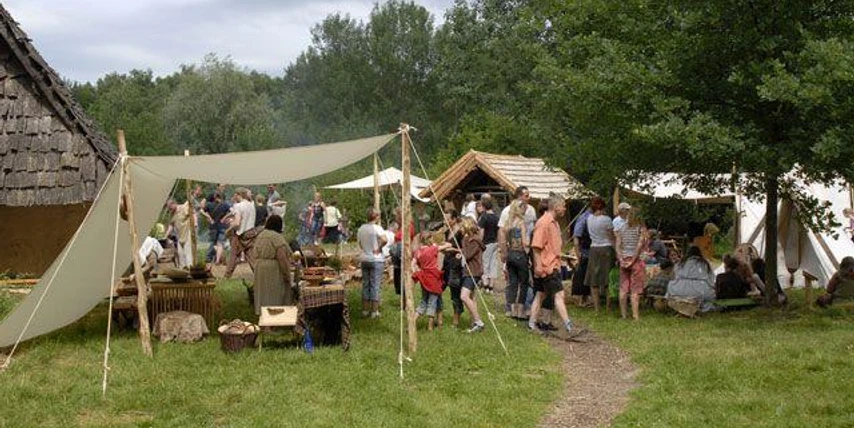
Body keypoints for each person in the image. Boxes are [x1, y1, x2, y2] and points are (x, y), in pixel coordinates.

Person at [528, 194, 574, 334]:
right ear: (556, 207)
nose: (565, 209)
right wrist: (538, 266)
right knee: (559, 295)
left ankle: (531, 324)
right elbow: (536, 247)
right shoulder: (544, 223)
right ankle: (568, 326)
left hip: (551, 264)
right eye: (563, 206)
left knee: (540, 295)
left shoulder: (554, 222)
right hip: (547, 267)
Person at [251, 215, 295, 316]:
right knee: (272, 294)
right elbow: (281, 257)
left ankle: (263, 318)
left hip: (260, 266)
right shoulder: (276, 237)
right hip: (272, 268)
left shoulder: (261, 235)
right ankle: (271, 321)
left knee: (262, 294)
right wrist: (286, 274)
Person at [412, 232, 450, 330]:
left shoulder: (418, 251)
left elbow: (413, 263)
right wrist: (439, 244)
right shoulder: (433, 249)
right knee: (432, 302)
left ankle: (412, 322)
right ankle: (430, 326)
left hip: (424, 278)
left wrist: (415, 271)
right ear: (429, 239)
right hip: (433, 278)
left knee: (425, 301)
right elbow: (448, 245)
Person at [615, 207, 648, 320]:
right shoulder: (641, 229)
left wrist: (621, 259)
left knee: (623, 288)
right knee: (635, 289)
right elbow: (639, 246)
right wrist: (633, 260)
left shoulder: (622, 228)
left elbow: (618, 245)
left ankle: (623, 315)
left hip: (624, 260)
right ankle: (635, 316)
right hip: (636, 261)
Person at [584, 197, 614, 312]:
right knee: (607, 279)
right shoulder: (607, 219)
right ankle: (608, 306)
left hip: (594, 248)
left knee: (594, 279)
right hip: (606, 247)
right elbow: (611, 236)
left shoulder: (589, 218)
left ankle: (596, 308)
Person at [666, 245, 716, 312]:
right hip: (699, 289)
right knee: (711, 294)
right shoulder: (705, 263)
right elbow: (711, 279)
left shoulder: (681, 263)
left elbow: (676, 277)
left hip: (680, 288)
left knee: (670, 287)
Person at [357, 207, 387, 318]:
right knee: (375, 285)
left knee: (365, 284)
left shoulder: (361, 228)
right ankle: (374, 311)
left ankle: (365, 310)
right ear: (376, 217)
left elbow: (360, 244)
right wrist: (379, 248)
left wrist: (366, 249)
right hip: (376, 259)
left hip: (364, 258)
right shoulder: (377, 228)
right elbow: (384, 239)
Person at [503, 200, 530, 318]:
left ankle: (512, 310)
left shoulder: (508, 223)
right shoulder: (521, 223)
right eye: (524, 207)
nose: (526, 209)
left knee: (512, 282)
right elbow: (524, 242)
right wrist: (529, 251)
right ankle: (520, 311)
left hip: (510, 255)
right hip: (520, 254)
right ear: (520, 209)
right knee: (524, 283)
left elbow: (505, 241)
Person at [223, 187, 258, 279]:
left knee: (233, 256)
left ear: (239, 195)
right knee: (251, 256)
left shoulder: (238, 206)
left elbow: (237, 223)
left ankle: (227, 276)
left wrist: (228, 230)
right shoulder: (251, 205)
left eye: (235, 194)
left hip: (240, 234)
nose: (234, 196)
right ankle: (259, 275)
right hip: (251, 232)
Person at [459, 217, 486, 333]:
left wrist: (463, 244)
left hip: (473, 272)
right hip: (470, 271)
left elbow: (468, 255)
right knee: (471, 297)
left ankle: (479, 322)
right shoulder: (470, 240)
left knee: (463, 296)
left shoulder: (474, 241)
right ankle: (474, 322)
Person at [442, 209, 465, 327]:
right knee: (438, 288)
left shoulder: (461, 232)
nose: (445, 221)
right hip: (446, 264)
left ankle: (456, 320)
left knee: (455, 293)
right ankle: (438, 317)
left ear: (454, 219)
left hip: (456, 266)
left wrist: (453, 249)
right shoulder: (447, 232)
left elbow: (465, 250)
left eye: (448, 219)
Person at [571, 204, 593, 305]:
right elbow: (576, 237)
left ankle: (587, 298)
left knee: (587, 275)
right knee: (583, 275)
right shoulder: (584, 218)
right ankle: (582, 299)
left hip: (591, 250)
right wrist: (578, 252)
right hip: (585, 250)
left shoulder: (591, 217)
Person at [478, 198, 500, 295]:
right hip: (495, 243)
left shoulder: (484, 217)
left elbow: (481, 232)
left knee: (485, 264)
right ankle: (491, 287)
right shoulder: (496, 217)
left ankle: (486, 286)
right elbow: (499, 231)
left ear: (483, 206)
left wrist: (479, 242)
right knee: (493, 265)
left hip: (486, 243)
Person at [202, 192, 230, 265]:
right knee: (220, 243)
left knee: (213, 243)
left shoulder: (209, 204)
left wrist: (209, 217)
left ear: (215, 197)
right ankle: (217, 260)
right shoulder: (225, 205)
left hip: (213, 226)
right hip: (223, 226)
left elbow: (201, 211)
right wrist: (225, 218)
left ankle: (209, 258)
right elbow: (233, 211)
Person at [166, 199, 194, 269]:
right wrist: (166, 235)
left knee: (188, 253)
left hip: (187, 233)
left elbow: (192, 214)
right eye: (169, 208)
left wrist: (195, 224)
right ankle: (183, 270)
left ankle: (190, 269)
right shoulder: (172, 213)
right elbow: (171, 225)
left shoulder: (183, 208)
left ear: (174, 204)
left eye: (170, 207)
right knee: (180, 254)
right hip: (179, 236)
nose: (170, 209)